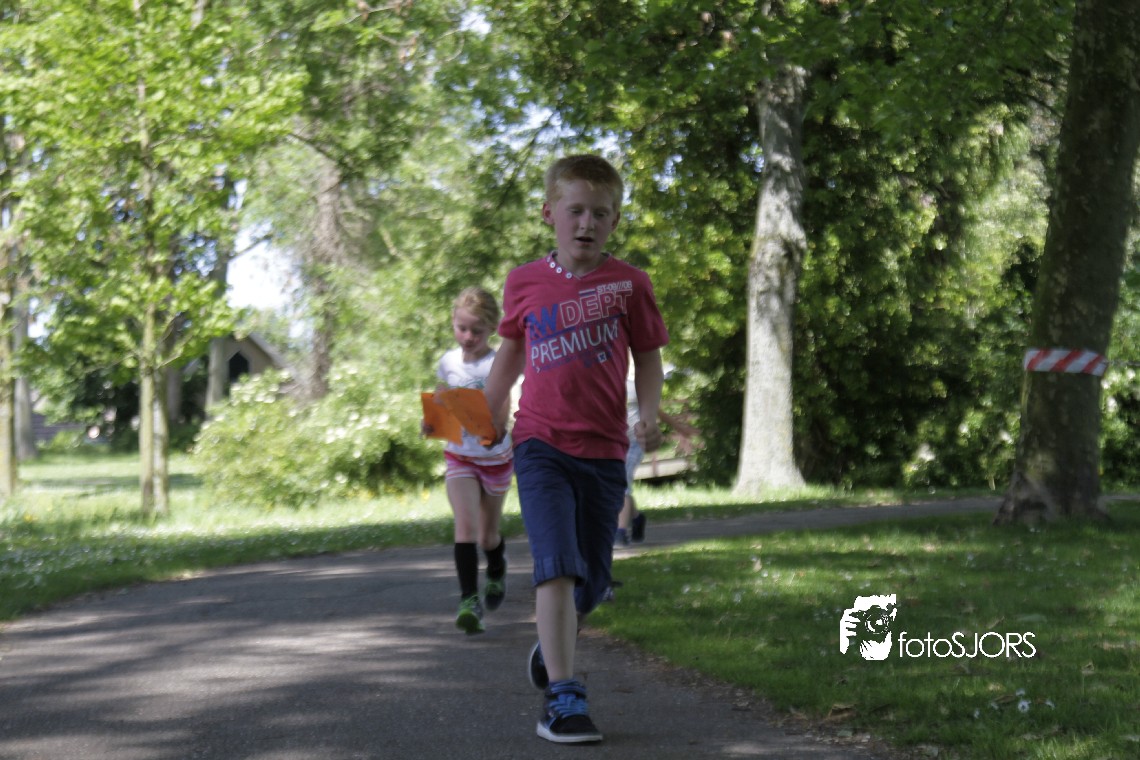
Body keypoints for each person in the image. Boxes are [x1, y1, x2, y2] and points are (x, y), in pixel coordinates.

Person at [482, 154, 669, 744]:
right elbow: (511, 353)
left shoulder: (631, 284)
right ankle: (562, 699)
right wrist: (488, 414)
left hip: (606, 449)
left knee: (591, 581)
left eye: (600, 213)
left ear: (615, 221)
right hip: (539, 442)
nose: (587, 223)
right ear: (549, 214)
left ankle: (553, 641)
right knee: (556, 565)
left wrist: (650, 413)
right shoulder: (524, 282)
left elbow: (648, 357)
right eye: (576, 211)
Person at [423, 287, 513, 635]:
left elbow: (502, 409)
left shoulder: (498, 362)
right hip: (460, 457)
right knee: (466, 529)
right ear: (453, 323)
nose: (468, 336)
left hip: (495, 459)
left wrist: (497, 430)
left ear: (492, 328)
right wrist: (431, 421)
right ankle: (468, 601)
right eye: (462, 328)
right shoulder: (448, 362)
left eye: (476, 330)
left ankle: (496, 567)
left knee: (488, 537)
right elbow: (441, 398)